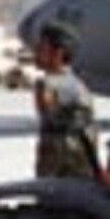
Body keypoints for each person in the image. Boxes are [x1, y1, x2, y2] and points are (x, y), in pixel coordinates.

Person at [32, 22, 100, 179]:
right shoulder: (78, 85)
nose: (36, 52)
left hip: (61, 175)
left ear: (58, 53)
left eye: (42, 47)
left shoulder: (47, 85)